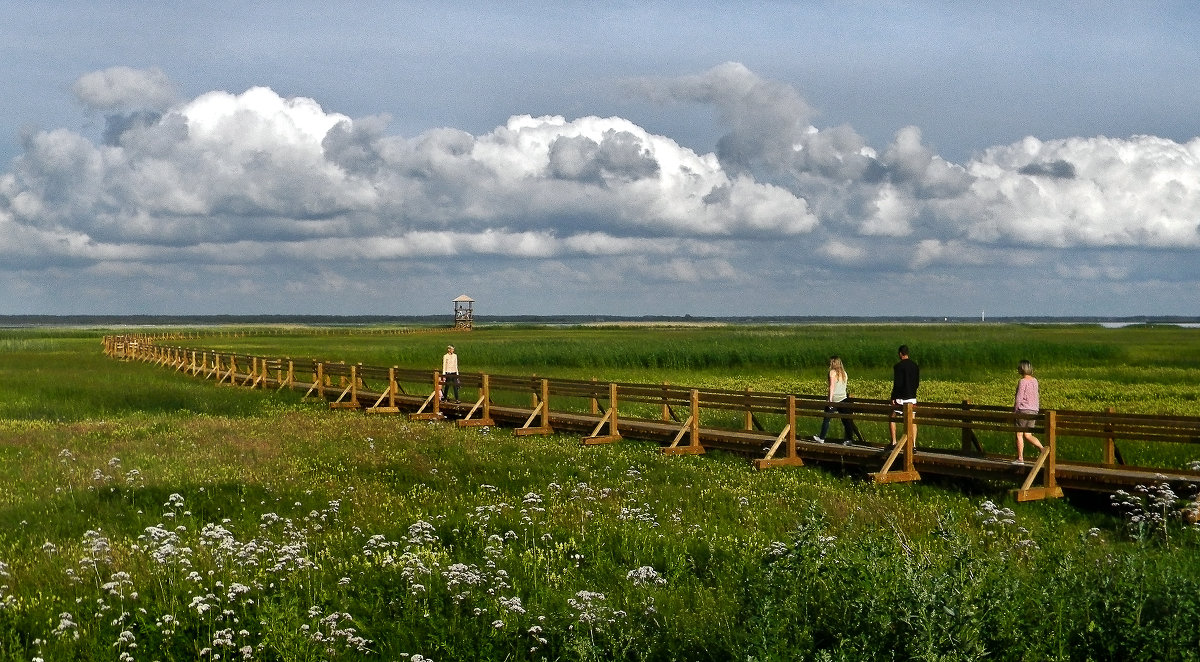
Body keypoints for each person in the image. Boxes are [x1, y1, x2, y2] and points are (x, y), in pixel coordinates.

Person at [815, 356, 854, 444]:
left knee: (827, 419)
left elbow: (831, 387)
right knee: (846, 420)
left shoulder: (832, 372)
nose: (829, 364)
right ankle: (849, 439)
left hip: (835, 399)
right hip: (843, 398)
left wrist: (830, 400)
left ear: (833, 363)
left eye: (831, 362)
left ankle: (822, 438)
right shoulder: (844, 373)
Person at [1013, 359, 1045, 463]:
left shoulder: (1022, 381)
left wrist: (1015, 410)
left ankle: (1020, 458)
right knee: (1028, 434)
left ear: (1022, 369)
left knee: (1019, 434)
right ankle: (1042, 448)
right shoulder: (1035, 381)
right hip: (1034, 411)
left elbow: (1019, 398)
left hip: (1023, 410)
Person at [889, 345, 919, 446]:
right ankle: (913, 444)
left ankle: (894, 442)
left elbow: (897, 384)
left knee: (892, 417)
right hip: (912, 397)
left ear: (900, 354)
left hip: (901, 398)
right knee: (913, 420)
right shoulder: (915, 366)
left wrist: (893, 397)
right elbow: (917, 383)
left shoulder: (898, 366)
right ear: (907, 353)